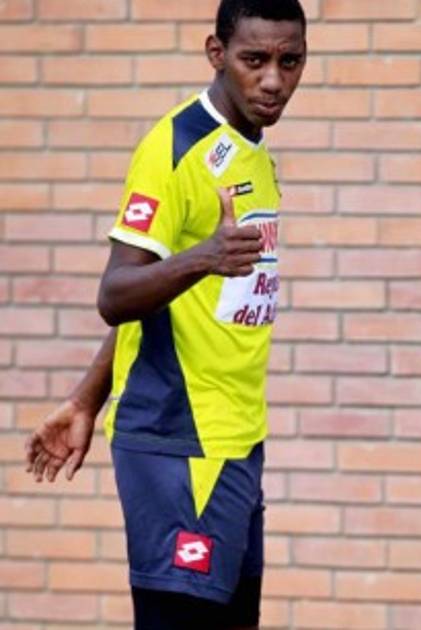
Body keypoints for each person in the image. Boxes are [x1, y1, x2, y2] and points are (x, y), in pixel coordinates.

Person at [24, 0, 306, 627]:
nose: (273, 80)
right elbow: (115, 293)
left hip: (236, 439)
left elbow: (167, 302)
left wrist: (86, 398)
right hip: (177, 441)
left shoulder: (252, 151)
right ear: (217, 54)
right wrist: (204, 257)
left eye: (290, 62)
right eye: (254, 60)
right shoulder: (175, 147)